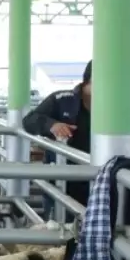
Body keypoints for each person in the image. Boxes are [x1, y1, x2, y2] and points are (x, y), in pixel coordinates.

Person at [22, 61, 93, 206]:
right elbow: (29, 121)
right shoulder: (61, 100)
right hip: (62, 179)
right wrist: (52, 125)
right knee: (59, 223)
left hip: (95, 179)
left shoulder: (113, 109)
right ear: (91, 78)